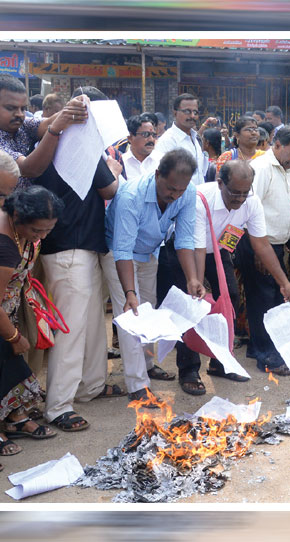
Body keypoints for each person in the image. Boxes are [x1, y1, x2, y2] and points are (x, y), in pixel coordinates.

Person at [35, 86, 125, 432]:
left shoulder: (56, 141)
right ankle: (58, 405)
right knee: (72, 330)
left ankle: (90, 387)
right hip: (69, 249)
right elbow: (110, 189)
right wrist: (114, 168)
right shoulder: (81, 145)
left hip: (79, 246)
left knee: (89, 325)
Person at [170, 160, 290, 395]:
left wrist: (284, 283)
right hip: (186, 253)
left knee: (231, 299)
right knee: (191, 307)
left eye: (244, 193)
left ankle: (220, 362)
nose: (239, 199)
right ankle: (188, 370)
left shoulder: (251, 201)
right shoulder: (199, 199)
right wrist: (197, 282)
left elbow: (261, 244)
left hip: (218, 253)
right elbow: (196, 247)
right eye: (234, 193)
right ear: (220, 184)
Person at [104, 149, 205, 405]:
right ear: (158, 174)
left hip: (149, 252)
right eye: (171, 188)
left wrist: (193, 279)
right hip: (117, 254)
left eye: (180, 190)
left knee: (148, 309)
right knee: (131, 316)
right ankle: (137, 386)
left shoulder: (188, 192)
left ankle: (147, 365)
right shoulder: (131, 195)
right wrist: (129, 293)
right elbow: (123, 249)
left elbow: (184, 239)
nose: (175, 195)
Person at [0, 185, 63, 464]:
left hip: (9, 306)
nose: (42, 236)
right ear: (17, 217)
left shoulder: (22, 232)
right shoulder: (4, 245)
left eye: (48, 230)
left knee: (12, 365)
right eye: (37, 231)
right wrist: (14, 336)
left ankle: (13, 420)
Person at [242, 125, 290, 374]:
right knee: (263, 302)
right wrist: (258, 251)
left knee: (273, 300)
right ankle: (265, 356)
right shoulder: (260, 169)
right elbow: (247, 211)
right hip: (259, 246)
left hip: (277, 246)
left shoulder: (288, 168)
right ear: (276, 145)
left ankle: (260, 347)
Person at [0, 74, 86, 186]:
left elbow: (46, 124)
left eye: (23, 108)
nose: (19, 114)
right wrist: (54, 131)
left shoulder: (22, 125)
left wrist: (74, 105)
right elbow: (29, 169)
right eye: (11, 108)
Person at [154, 93, 209, 186]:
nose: (192, 116)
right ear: (175, 113)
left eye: (195, 112)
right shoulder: (168, 140)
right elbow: (162, 176)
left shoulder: (196, 138)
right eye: (187, 111)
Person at [122, 114, 162, 183]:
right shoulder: (121, 163)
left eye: (153, 135)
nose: (151, 139)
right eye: (145, 134)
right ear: (130, 138)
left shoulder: (162, 160)